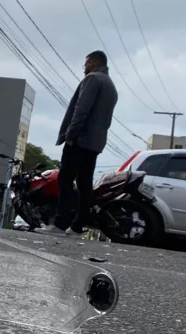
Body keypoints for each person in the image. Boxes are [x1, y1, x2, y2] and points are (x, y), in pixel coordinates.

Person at [35, 50, 118, 236]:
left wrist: (70, 135)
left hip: (80, 139)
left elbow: (81, 110)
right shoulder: (111, 85)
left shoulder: (93, 79)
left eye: (86, 64)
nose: (85, 68)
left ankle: (59, 223)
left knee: (65, 180)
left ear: (94, 63)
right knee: (84, 183)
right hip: (95, 143)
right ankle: (77, 225)